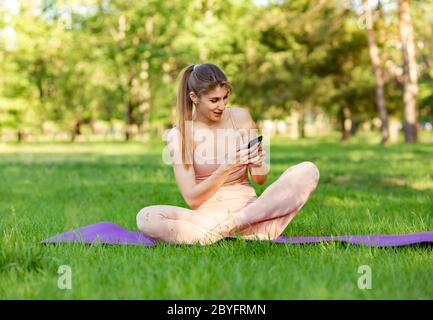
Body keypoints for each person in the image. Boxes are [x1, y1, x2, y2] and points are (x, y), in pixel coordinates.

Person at [136, 63, 320, 245]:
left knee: (308, 170)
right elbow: (192, 199)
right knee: (146, 217)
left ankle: (219, 234)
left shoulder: (241, 117)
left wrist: (258, 162)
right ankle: (236, 235)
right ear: (194, 97)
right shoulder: (180, 135)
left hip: (253, 213)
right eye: (214, 100)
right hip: (207, 219)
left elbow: (260, 179)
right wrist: (227, 167)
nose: (222, 105)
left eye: (225, 98)